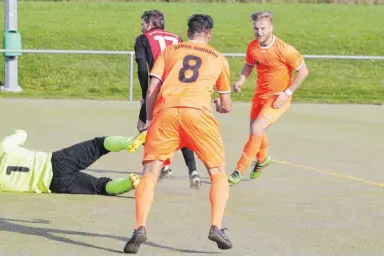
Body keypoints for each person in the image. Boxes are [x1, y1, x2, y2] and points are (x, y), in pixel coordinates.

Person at [123, 14, 233, 254]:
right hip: (199, 116)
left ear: (188, 31)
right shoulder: (219, 58)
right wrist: (220, 104)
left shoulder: (172, 51)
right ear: (209, 34)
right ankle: (216, 226)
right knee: (217, 172)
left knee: (150, 174)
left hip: (167, 114)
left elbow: (152, 88)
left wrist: (151, 119)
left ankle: (139, 228)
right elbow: (226, 104)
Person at [227, 11, 309, 184]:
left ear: (271, 27)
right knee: (256, 131)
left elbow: (303, 71)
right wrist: (240, 80)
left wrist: (287, 93)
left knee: (257, 130)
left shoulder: (285, 50)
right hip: (259, 96)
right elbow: (248, 66)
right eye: (256, 28)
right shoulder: (253, 47)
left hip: (278, 98)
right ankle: (263, 160)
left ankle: (238, 170)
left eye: (263, 28)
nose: (259, 32)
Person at [0, 129, 146, 195]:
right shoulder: (4, 147)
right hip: (55, 162)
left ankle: (129, 183)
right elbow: (22, 134)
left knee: (99, 187)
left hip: (54, 184)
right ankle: (129, 142)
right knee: (98, 145)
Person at [134, 9, 201, 188]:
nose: (142, 28)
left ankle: (163, 166)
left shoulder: (142, 39)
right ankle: (193, 170)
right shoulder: (177, 38)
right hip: (181, 88)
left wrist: (144, 95)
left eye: (143, 24)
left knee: (143, 126)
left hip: (159, 88)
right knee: (180, 128)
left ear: (149, 24)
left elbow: (142, 69)